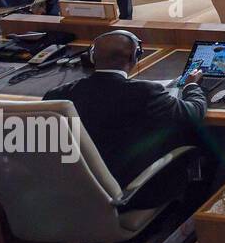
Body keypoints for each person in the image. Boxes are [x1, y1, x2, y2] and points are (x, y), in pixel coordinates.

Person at [45, 30, 207, 207]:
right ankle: (191, 213)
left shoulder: (57, 96)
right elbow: (193, 113)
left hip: (75, 194)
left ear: (92, 57)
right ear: (134, 57)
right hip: (131, 195)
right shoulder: (145, 93)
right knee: (202, 144)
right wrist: (192, 86)